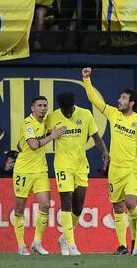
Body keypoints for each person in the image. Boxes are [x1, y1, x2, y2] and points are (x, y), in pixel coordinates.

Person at [82, 67, 137, 256]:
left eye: (123, 98)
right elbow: (95, 100)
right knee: (117, 207)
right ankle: (122, 245)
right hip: (115, 170)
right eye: (120, 98)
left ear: (132, 102)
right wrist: (86, 79)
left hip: (132, 169)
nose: (119, 100)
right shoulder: (114, 114)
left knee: (130, 203)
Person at [45, 91, 109, 256]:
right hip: (63, 166)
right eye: (64, 111)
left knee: (79, 206)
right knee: (66, 201)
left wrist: (104, 152)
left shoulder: (85, 114)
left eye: (69, 111)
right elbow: (40, 131)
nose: (67, 114)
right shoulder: (53, 117)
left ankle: (64, 237)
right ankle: (71, 244)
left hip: (81, 166)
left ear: (73, 106)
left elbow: (96, 136)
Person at [12, 95, 66, 256]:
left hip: (41, 170)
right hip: (23, 171)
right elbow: (34, 145)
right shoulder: (27, 123)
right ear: (32, 108)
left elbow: (20, 144)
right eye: (39, 105)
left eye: (45, 105)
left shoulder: (46, 123)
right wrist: (53, 136)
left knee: (45, 205)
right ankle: (21, 245)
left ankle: (36, 243)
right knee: (20, 208)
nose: (43, 108)